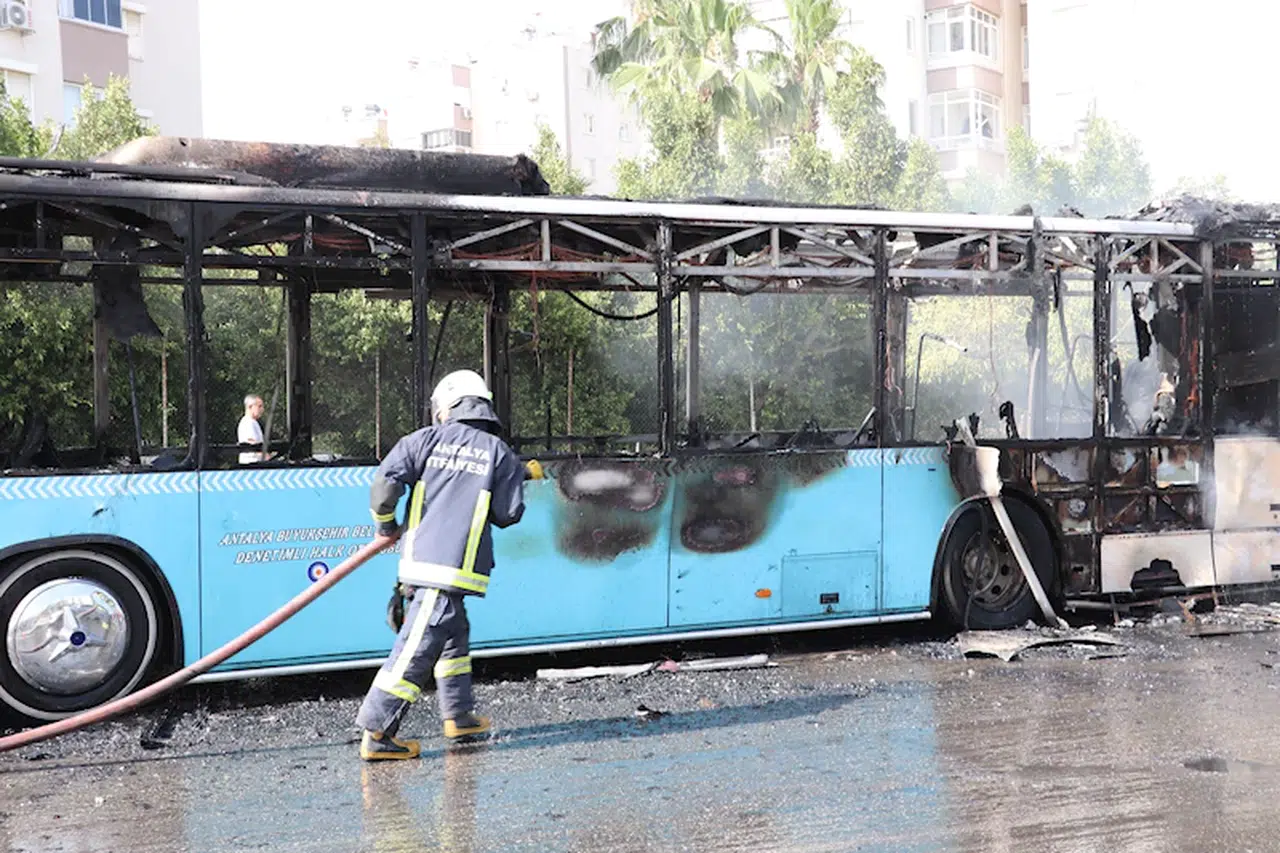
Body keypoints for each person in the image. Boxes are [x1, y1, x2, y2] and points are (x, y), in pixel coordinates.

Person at [355, 369, 539, 761]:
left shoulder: (422, 441)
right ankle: (377, 732)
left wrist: (385, 525)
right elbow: (509, 514)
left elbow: (384, 484)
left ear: (447, 408)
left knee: (453, 633)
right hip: (453, 567)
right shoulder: (499, 453)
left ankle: (458, 716)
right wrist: (517, 478)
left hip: (423, 563)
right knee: (416, 648)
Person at [237, 395, 267, 464]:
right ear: (250, 407)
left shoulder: (253, 422)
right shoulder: (248, 423)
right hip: (251, 465)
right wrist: (266, 456)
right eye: (259, 406)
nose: (262, 409)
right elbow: (252, 443)